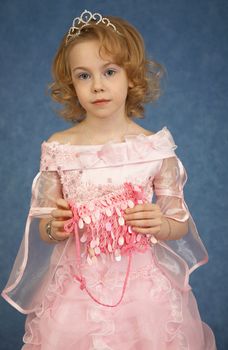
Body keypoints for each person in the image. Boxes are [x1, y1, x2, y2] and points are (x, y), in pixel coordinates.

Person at [2, 9, 216, 350]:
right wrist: (55, 228)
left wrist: (159, 223)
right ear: (71, 83)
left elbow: (178, 222)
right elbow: (44, 224)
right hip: (77, 287)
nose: (98, 85)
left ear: (130, 77)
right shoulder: (60, 148)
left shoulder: (154, 147)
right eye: (84, 76)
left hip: (144, 292)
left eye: (110, 71)